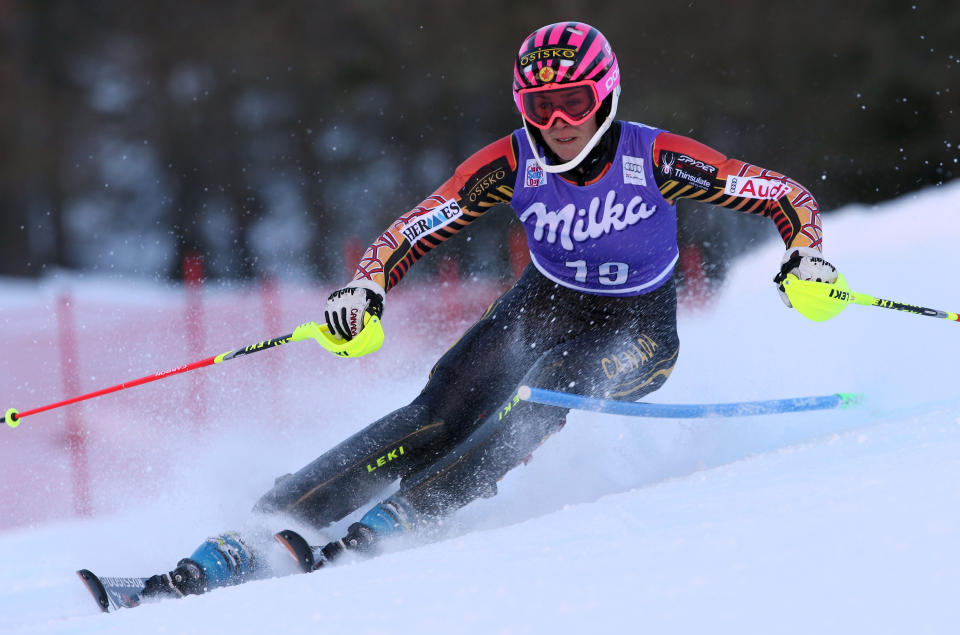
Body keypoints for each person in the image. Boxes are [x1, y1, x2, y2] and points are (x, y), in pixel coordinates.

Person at [138, 21, 838, 599]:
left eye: (574, 101)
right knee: (438, 411)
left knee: (547, 390)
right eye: (540, 107)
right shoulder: (510, 162)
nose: (560, 123)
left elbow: (783, 195)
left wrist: (806, 255)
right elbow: (417, 225)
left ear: (607, 94)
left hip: (638, 327)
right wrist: (366, 287)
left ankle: (403, 516)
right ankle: (267, 522)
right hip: (547, 299)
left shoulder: (653, 156)